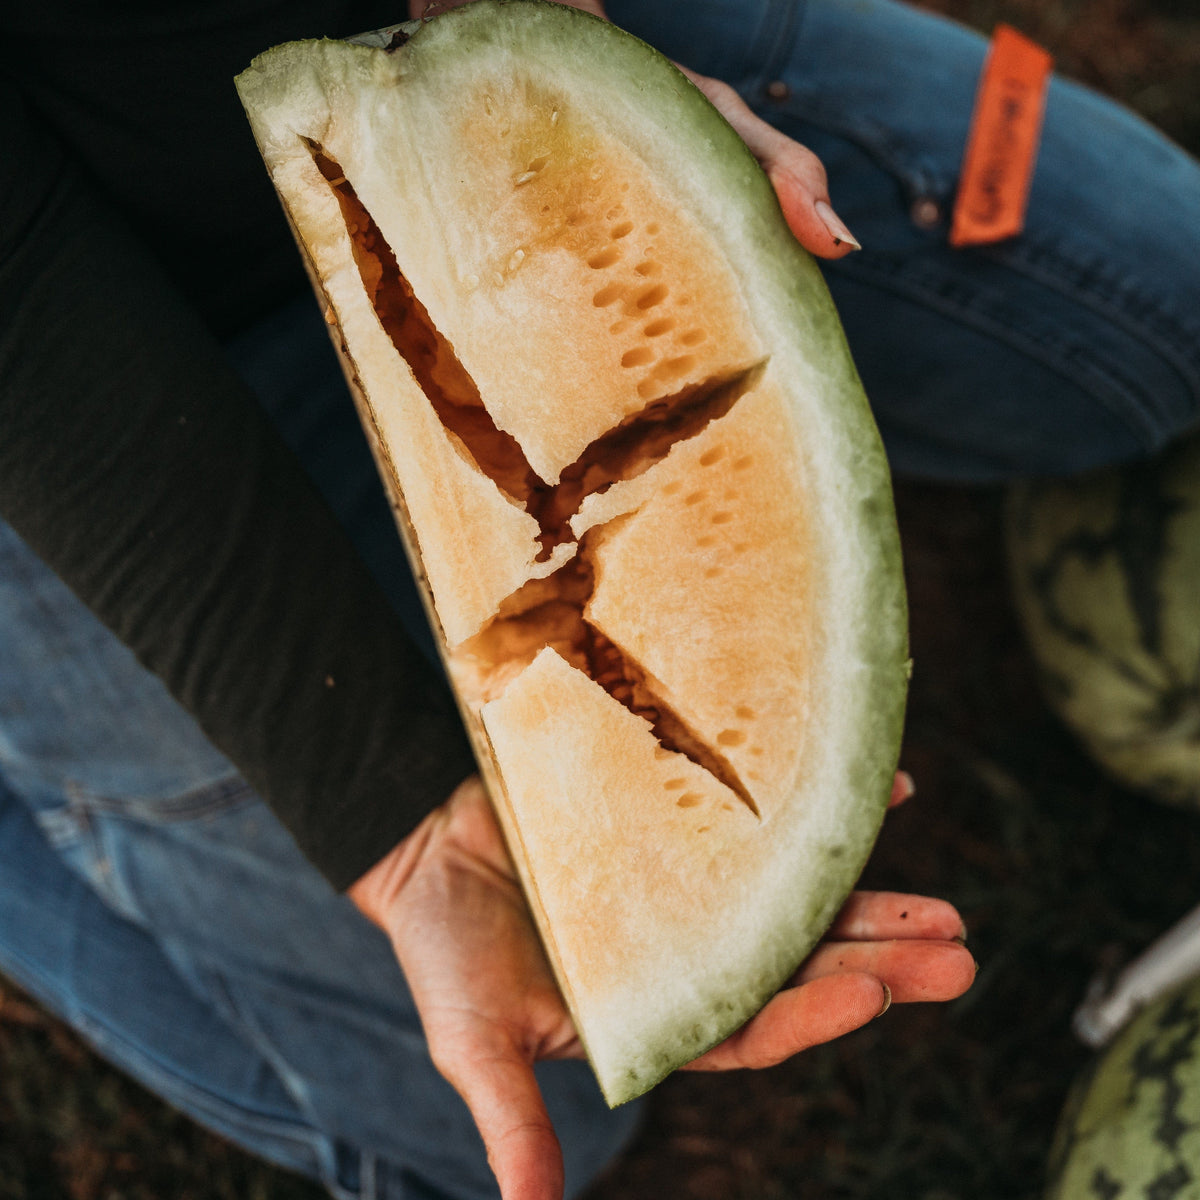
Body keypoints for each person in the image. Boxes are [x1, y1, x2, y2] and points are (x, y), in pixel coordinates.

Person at [0, 2, 1194, 1199]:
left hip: (438, 74)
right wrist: (385, 811)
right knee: (523, 1108)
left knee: (1163, 323)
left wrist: (544, 53)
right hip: (54, 402)